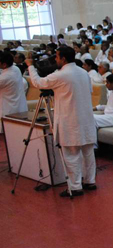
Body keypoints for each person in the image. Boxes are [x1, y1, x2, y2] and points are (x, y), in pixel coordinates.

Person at [26, 47, 97, 198]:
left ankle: (75, 187)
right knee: (88, 152)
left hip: (70, 120)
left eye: (57, 57)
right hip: (86, 119)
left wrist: (30, 66)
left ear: (63, 59)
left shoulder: (61, 75)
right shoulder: (84, 73)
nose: (55, 60)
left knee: (71, 155)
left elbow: (38, 83)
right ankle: (90, 181)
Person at [0, 51, 28, 133]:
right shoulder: (15, 68)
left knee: (9, 133)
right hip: (17, 103)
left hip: (8, 106)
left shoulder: (5, 77)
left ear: (4, 64)